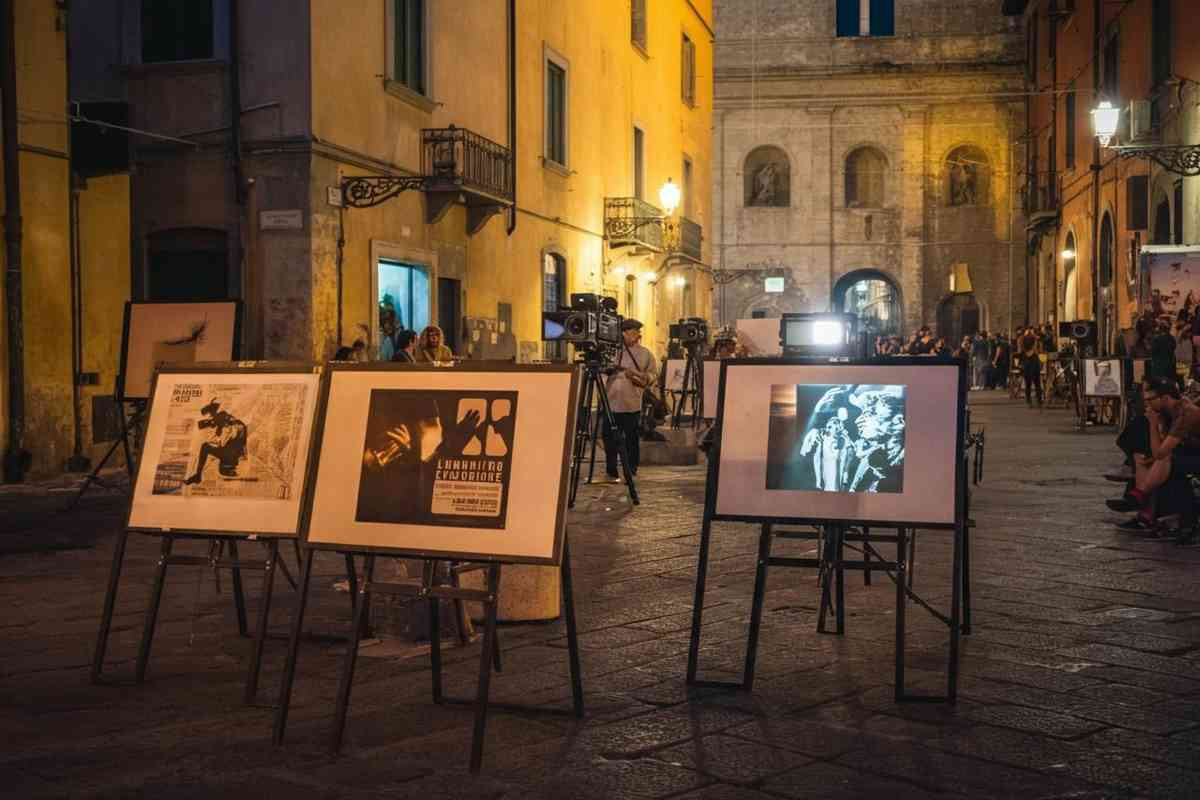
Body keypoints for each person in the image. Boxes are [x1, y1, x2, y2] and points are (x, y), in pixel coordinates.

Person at [1107, 377, 1200, 534]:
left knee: (1165, 460)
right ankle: (1144, 510)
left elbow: (1160, 453)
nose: (1147, 404)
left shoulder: (1186, 413)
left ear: (1165, 398)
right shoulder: (1167, 411)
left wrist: (1153, 424)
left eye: (1150, 400)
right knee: (1145, 455)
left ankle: (1140, 496)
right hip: (1189, 451)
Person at [603, 318, 657, 481]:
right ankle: (611, 469)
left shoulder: (646, 353)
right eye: (631, 333)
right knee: (609, 438)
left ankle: (631, 468)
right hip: (611, 402)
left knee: (631, 439)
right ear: (623, 334)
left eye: (636, 333)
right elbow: (602, 372)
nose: (635, 336)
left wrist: (639, 375)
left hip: (631, 403)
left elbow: (653, 375)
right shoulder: (612, 351)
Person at [184, 399, 248, 485]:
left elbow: (202, 424)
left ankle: (198, 476)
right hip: (233, 460)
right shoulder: (238, 424)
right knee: (211, 445)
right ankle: (198, 476)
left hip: (227, 461)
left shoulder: (224, 420)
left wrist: (212, 423)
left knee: (205, 447)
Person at [1019, 326, 1043, 407]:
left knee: (1031, 383)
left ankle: (1032, 400)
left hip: (1030, 363)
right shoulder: (1026, 340)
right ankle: (1036, 401)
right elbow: (1036, 349)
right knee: (1034, 383)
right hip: (1030, 363)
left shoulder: (1024, 340)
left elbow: (1037, 349)